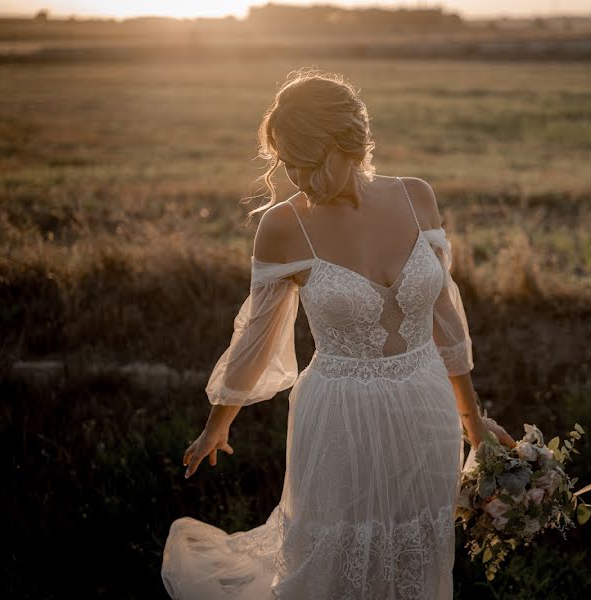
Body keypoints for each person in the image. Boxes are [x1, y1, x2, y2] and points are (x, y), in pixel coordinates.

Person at [161, 68, 516, 600]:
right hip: (339, 419)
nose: (294, 177)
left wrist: (472, 422)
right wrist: (218, 422)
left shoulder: (417, 198)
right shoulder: (283, 226)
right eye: (285, 164)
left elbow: (447, 321)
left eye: (305, 162)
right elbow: (256, 337)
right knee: (332, 562)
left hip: (426, 411)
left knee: (416, 556)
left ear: (345, 144)